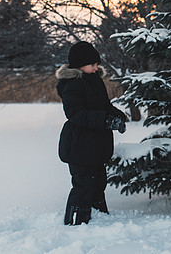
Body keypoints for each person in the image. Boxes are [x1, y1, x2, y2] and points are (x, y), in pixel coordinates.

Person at [56, 41, 127, 225]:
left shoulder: (95, 81)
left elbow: (104, 105)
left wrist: (117, 116)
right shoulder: (72, 84)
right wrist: (105, 120)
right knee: (84, 185)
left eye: (97, 64)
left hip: (96, 145)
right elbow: (75, 114)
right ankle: (76, 222)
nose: (96, 68)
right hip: (79, 145)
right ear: (79, 65)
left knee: (98, 182)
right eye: (92, 65)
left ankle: (99, 219)